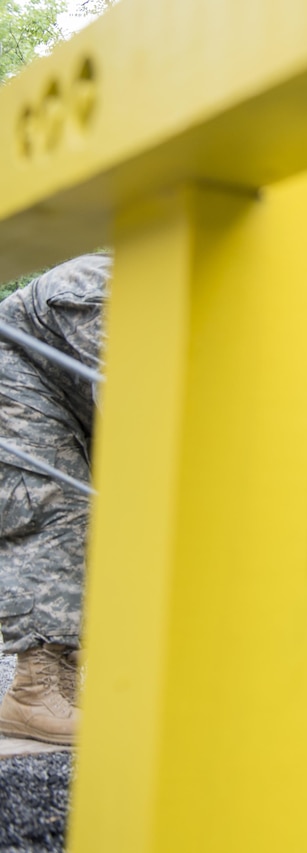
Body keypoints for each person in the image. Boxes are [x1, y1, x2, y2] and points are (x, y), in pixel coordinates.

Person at [0, 254, 110, 746]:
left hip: (76, 388)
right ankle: (32, 692)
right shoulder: (109, 299)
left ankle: (64, 686)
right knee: (55, 506)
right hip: (17, 374)